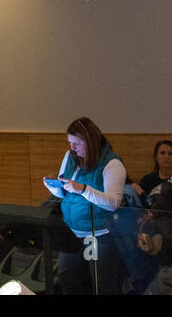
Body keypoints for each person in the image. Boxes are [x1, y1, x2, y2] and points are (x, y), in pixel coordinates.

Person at [46, 117, 132, 295]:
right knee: (68, 282)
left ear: (90, 141)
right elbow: (66, 192)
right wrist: (54, 187)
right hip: (72, 232)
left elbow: (113, 203)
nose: (72, 148)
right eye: (70, 143)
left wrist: (84, 189)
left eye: (76, 143)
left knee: (102, 286)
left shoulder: (112, 163)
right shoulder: (70, 157)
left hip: (101, 234)